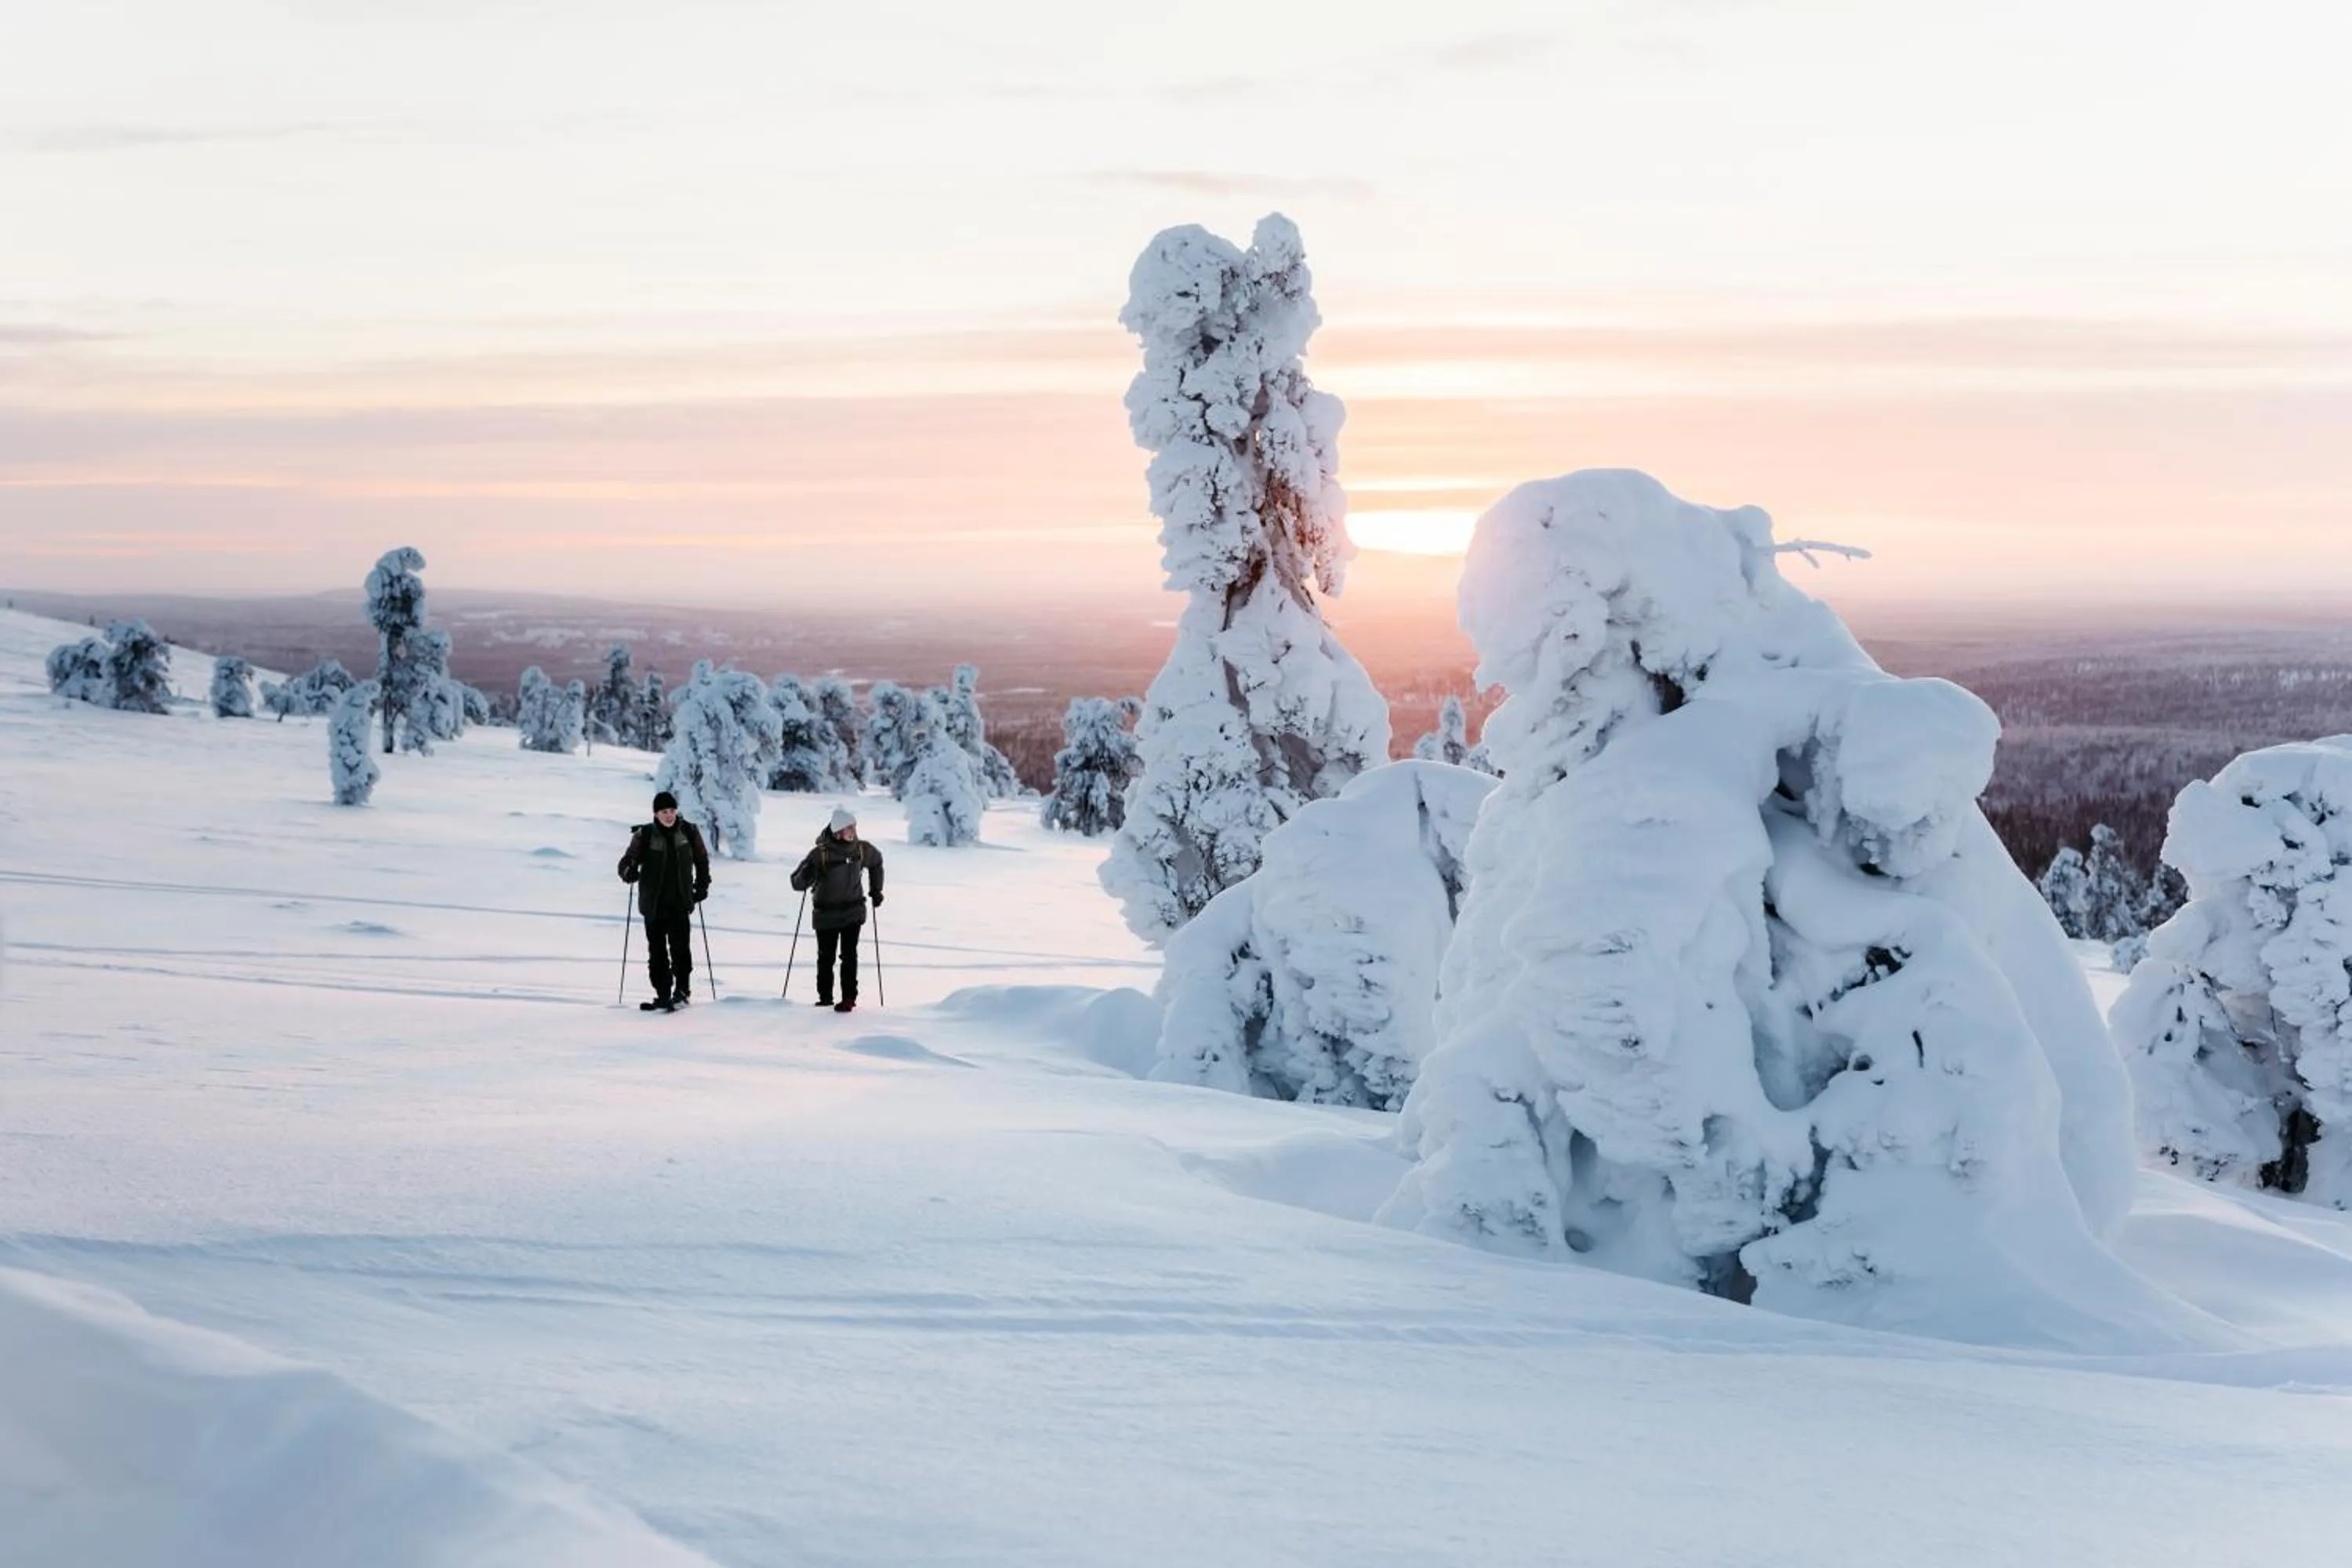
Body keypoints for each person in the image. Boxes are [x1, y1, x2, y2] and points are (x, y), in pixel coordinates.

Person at [617, 789, 710, 1011]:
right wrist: (628, 872)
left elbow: (702, 860)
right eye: (663, 811)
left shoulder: (689, 831)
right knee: (657, 953)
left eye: (671, 811)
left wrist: (702, 885)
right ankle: (663, 994)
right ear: (656, 814)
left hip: (680, 902)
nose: (669, 815)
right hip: (654, 905)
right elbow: (627, 861)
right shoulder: (645, 835)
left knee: (681, 951)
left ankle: (682, 991)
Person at [790, 806, 884, 1012]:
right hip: (825, 914)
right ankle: (825, 999)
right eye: (849, 828)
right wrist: (806, 874)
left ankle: (849, 998)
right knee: (826, 957)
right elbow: (796, 884)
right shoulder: (819, 854)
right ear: (838, 830)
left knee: (849, 955)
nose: (853, 831)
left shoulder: (861, 849)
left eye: (854, 827)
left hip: (853, 911)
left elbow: (877, 862)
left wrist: (876, 890)